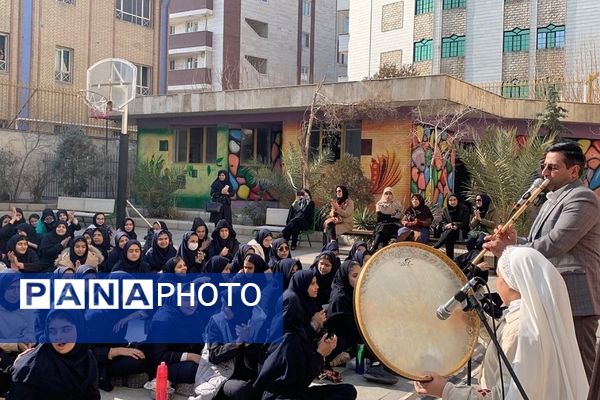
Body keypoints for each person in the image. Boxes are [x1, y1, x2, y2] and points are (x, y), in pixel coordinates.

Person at [483, 141, 600, 388]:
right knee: (554, 367)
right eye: (543, 167)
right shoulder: (550, 200)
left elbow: (556, 244)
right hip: (548, 295)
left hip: (575, 299)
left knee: (580, 368)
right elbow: (538, 243)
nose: (544, 173)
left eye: (552, 168)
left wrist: (511, 250)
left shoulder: (583, 198)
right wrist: (514, 241)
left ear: (574, 171)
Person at [414, 246, 589, 399]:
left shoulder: (522, 328)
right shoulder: (536, 318)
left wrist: (446, 390)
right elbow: (502, 342)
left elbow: (503, 395)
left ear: (512, 282)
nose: (496, 282)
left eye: (498, 276)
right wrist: (475, 322)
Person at [254, 270, 357, 400]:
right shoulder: (288, 340)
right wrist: (320, 354)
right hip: (281, 396)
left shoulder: (298, 327)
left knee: (347, 391)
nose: (317, 287)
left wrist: (323, 346)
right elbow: (300, 382)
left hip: (297, 392)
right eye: (312, 284)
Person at [8, 309, 101, 399]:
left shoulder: (87, 358)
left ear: (79, 329)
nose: (58, 336)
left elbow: (92, 394)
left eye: (66, 330)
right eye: (52, 331)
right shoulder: (32, 367)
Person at [433, 193, 470, 258]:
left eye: (454, 200)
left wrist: (455, 225)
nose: (453, 202)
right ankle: (450, 260)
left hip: (460, 231)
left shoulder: (464, 208)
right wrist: (446, 225)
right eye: (450, 200)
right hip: (449, 232)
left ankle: (436, 246)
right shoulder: (445, 210)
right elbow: (443, 221)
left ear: (457, 200)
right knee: (449, 235)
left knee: (449, 233)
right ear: (448, 201)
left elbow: (465, 222)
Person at [370, 187, 403, 252]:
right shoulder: (379, 204)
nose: (388, 196)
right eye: (386, 193)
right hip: (382, 225)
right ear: (383, 194)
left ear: (393, 195)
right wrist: (391, 215)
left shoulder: (397, 204)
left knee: (383, 228)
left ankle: (374, 246)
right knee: (383, 228)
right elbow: (379, 217)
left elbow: (397, 218)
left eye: (390, 194)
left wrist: (386, 217)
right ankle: (382, 247)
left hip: (394, 225)